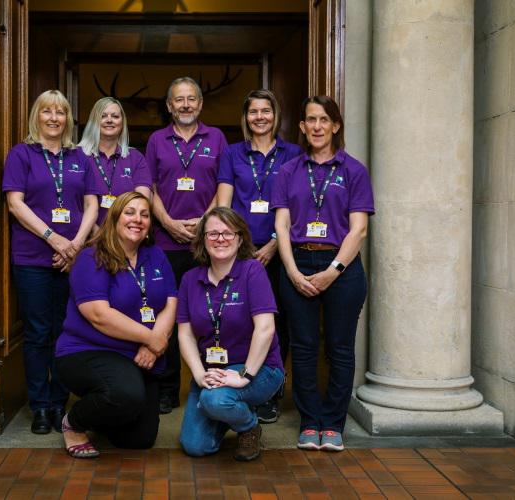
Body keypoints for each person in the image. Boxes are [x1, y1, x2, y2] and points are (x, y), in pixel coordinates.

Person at [272, 96, 374, 452]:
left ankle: (333, 423)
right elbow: (281, 227)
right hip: (297, 262)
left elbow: (358, 230)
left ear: (335, 125)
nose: (316, 126)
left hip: (341, 268)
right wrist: (291, 270)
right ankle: (309, 420)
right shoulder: (288, 172)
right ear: (301, 127)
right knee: (302, 348)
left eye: (323, 120)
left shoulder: (353, 171)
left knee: (340, 349)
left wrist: (333, 271)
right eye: (310, 120)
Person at [2, 90, 99, 435]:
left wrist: (74, 244)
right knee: (38, 334)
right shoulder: (21, 154)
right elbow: (16, 204)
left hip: (74, 259)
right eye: (47, 111)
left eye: (61, 112)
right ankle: (40, 406)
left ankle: (59, 402)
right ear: (37, 117)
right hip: (33, 259)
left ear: (68, 119)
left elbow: (91, 205)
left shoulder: (81, 158)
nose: (54, 118)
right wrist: (53, 238)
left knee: (66, 332)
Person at [55, 191, 178, 458]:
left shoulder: (155, 255)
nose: (138, 219)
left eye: (145, 215)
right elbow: (98, 314)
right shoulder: (92, 257)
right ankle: (73, 423)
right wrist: (151, 338)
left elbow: (170, 302)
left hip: (142, 356)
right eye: (130, 212)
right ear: (114, 218)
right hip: (88, 351)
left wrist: (155, 344)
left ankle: (108, 406)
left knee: (139, 439)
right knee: (125, 395)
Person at [216, 89, 302, 424]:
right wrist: (240, 246)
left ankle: (272, 391)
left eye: (266, 111)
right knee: (239, 320)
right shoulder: (232, 153)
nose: (260, 117)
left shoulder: (292, 153)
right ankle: (241, 384)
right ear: (246, 117)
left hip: (281, 253)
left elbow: (299, 204)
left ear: (275, 116)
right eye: (254, 112)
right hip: (240, 253)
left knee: (278, 325)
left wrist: (273, 245)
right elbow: (224, 203)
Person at [146, 76, 228, 413]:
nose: (185, 105)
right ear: (169, 105)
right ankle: (167, 388)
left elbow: (224, 186)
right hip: (165, 245)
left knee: (207, 315)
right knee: (166, 315)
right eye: (178, 99)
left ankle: (208, 383)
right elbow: (147, 186)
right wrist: (166, 222)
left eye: (191, 99)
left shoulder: (218, 138)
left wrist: (203, 227)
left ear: (200, 103)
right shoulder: (155, 140)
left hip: (206, 245)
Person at [177, 207, 284, 461]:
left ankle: (248, 426)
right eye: (213, 233)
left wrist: (244, 376)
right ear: (203, 239)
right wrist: (199, 374)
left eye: (227, 233)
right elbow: (185, 335)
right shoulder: (190, 279)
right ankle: (227, 408)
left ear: (239, 238)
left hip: (260, 370)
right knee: (195, 446)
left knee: (215, 400)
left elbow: (265, 328)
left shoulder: (252, 271)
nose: (220, 239)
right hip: (213, 372)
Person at [78, 97, 152, 226]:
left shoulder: (135, 157)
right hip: (86, 238)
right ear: (94, 121)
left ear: (122, 122)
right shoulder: (78, 155)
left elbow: (141, 202)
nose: (109, 120)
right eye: (103, 116)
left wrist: (119, 235)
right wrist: (96, 235)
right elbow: (73, 202)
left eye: (115, 116)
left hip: (126, 236)